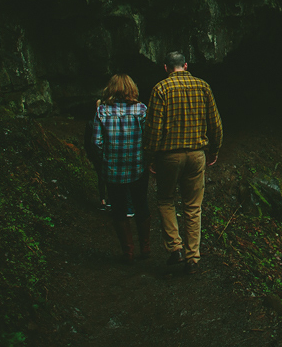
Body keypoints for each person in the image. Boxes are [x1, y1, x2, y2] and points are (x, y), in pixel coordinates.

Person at [143, 51, 222, 274]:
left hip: (169, 156)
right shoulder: (203, 86)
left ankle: (175, 248)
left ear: (166, 68)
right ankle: (193, 258)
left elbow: (153, 129)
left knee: (166, 199)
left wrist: (151, 156)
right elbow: (215, 123)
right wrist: (214, 150)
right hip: (197, 154)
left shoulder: (160, 89)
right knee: (193, 206)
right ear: (185, 66)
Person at [93, 74, 151, 264]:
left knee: (118, 210)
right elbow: (148, 138)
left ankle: (128, 252)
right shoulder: (141, 110)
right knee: (141, 205)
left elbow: (97, 142)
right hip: (137, 166)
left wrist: (107, 159)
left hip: (113, 169)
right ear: (131, 89)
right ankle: (145, 247)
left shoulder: (102, 111)